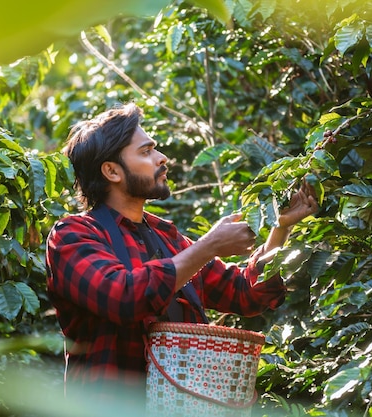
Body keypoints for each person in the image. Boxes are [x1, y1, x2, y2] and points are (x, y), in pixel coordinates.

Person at [45, 103, 318, 390]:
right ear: (112, 171)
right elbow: (124, 297)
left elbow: (245, 294)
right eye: (146, 151)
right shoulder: (73, 235)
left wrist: (280, 225)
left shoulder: (169, 239)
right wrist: (208, 246)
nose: (162, 158)